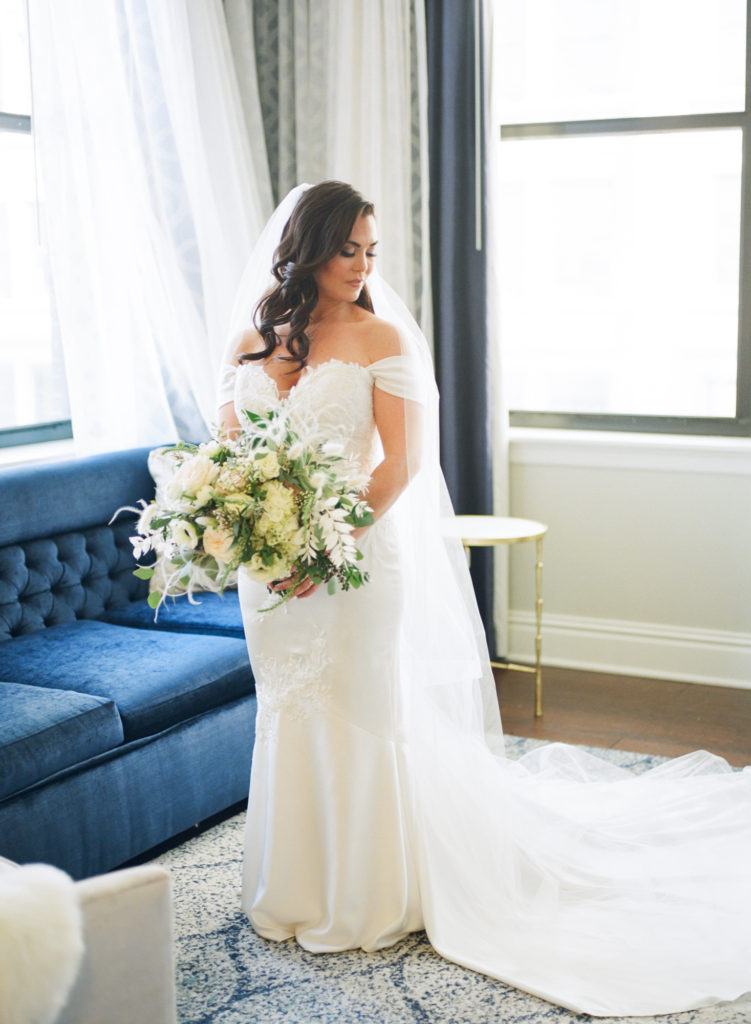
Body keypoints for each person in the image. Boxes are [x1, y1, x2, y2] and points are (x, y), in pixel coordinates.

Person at [217, 181, 751, 1018]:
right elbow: (229, 450)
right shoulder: (256, 333)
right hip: (268, 573)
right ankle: (290, 885)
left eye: (371, 251)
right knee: (287, 713)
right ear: (307, 249)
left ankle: (367, 895)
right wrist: (243, 526)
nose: (361, 266)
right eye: (347, 249)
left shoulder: (381, 335)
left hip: (354, 560)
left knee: (358, 711)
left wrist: (325, 548)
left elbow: (399, 467)